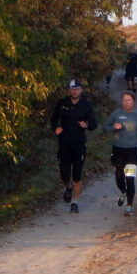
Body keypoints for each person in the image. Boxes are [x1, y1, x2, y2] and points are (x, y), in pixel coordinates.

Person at [50, 78, 97, 214]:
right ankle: (68, 186)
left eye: (77, 89)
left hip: (79, 144)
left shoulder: (85, 105)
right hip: (64, 143)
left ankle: (74, 202)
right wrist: (56, 128)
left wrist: (87, 125)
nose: (75, 91)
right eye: (72, 89)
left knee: (77, 173)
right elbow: (53, 119)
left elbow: (94, 123)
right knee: (64, 173)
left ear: (81, 90)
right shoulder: (62, 103)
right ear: (68, 90)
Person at [101, 91, 137, 216]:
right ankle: (123, 191)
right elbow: (105, 127)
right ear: (122, 101)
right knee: (119, 174)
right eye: (124, 100)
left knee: (130, 178)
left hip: (133, 150)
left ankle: (129, 206)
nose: (126, 102)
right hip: (118, 149)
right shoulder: (116, 114)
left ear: (134, 101)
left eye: (129, 100)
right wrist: (113, 127)